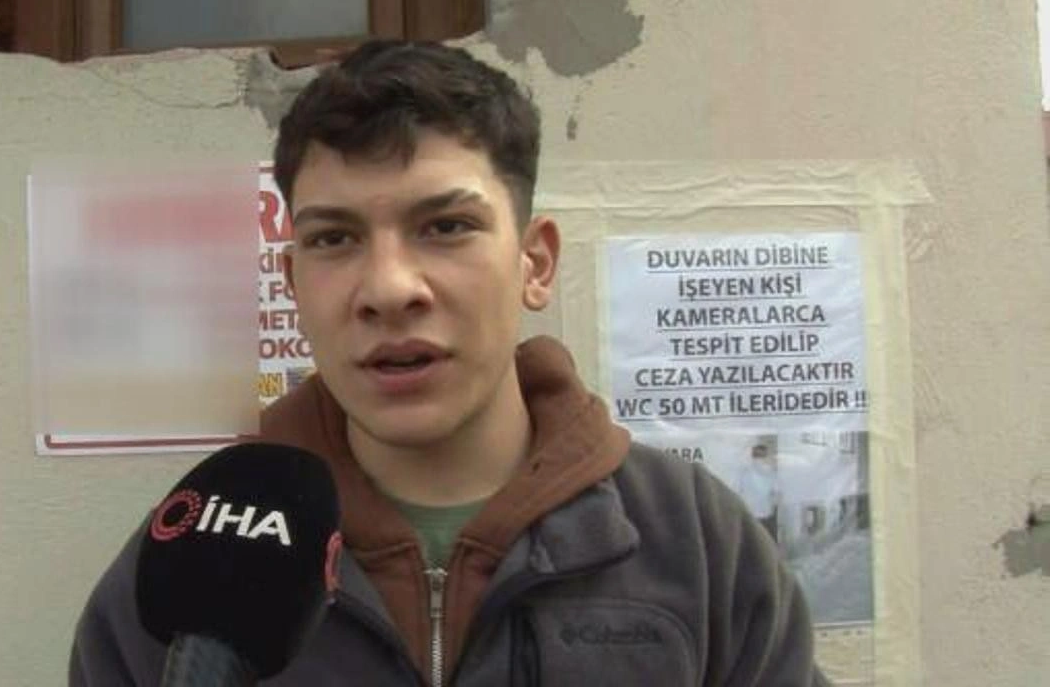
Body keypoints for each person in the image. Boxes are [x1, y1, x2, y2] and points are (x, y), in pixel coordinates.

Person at [70, 40, 829, 686]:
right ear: (294, 282)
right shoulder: (189, 556)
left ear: (535, 263)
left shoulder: (695, 542)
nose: (389, 289)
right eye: (334, 238)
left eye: (446, 227)